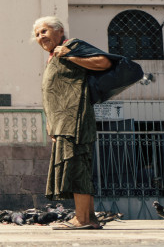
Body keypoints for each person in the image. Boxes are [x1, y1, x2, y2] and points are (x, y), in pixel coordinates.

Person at [32, 16, 111, 230]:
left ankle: (83, 219)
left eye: (44, 31)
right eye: (37, 34)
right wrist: (51, 122)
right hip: (63, 122)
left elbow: (104, 62)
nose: (40, 37)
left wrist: (70, 55)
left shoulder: (71, 46)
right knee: (78, 167)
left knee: (77, 168)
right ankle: (89, 218)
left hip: (74, 119)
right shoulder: (52, 55)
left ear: (59, 31)